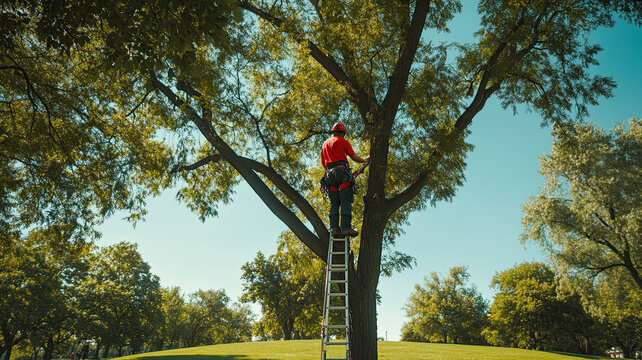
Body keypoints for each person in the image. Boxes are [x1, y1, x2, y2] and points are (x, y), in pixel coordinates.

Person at [321, 122, 369, 238]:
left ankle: (334, 229)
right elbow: (354, 157)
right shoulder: (342, 141)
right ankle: (345, 228)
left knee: (334, 203)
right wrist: (364, 160)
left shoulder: (325, 144)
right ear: (342, 133)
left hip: (329, 175)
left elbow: (324, 163)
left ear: (333, 132)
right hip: (342, 173)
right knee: (345, 201)